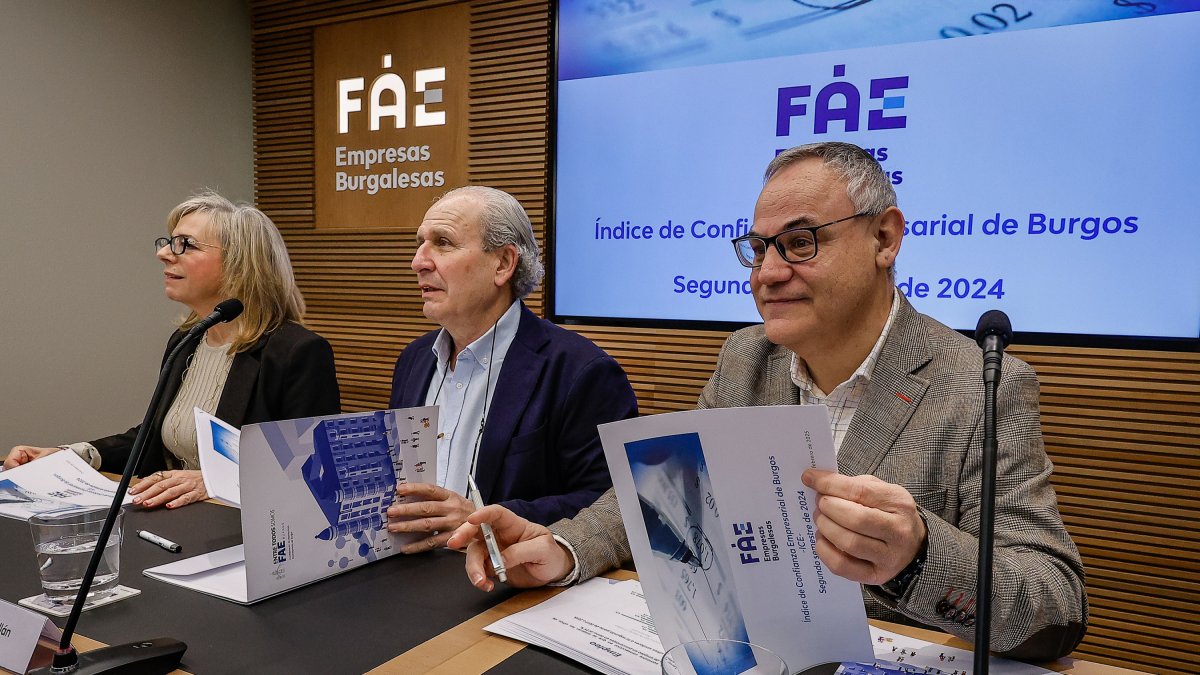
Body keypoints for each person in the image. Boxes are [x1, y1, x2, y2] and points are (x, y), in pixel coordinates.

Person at [449, 143, 1088, 661]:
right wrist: (563, 549)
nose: (768, 272)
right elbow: (664, 493)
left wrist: (917, 554)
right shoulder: (745, 358)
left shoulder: (979, 384)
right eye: (759, 247)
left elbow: (1056, 607)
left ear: (885, 240)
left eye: (802, 241)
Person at [4, 192, 341, 508]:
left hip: (247, 537)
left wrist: (216, 482)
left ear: (240, 265)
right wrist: (69, 456)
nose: (163, 253)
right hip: (180, 524)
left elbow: (314, 469)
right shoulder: (187, 341)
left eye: (185, 245)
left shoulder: (297, 352)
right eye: (169, 242)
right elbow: (153, 434)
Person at [386, 186, 637, 553]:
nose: (419, 261)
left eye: (442, 243)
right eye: (421, 243)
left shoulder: (581, 371)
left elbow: (612, 505)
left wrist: (485, 519)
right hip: (404, 574)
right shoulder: (413, 360)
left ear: (503, 264)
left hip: (509, 586)